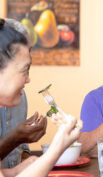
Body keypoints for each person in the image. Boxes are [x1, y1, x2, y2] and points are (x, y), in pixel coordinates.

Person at [0, 18, 82, 176]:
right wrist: (57, 147)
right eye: (24, 70)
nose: (28, 79)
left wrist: (21, 168)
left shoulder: (18, 98)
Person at [0, 18, 39, 169]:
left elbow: (20, 152)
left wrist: (30, 161)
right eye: (23, 50)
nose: (29, 57)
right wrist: (16, 137)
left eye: (29, 49)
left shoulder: (20, 97)